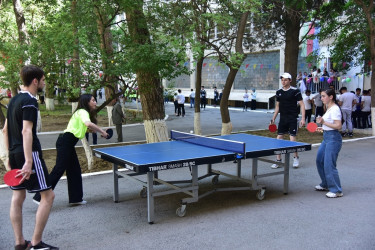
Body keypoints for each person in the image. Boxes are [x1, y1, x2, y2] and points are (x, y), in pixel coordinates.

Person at [3, 65, 58, 249]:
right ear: (35, 81)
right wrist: (28, 161)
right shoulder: (29, 101)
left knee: (18, 197)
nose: (44, 83)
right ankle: (36, 243)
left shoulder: (14, 100)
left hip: (14, 152)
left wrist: (9, 156)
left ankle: (19, 243)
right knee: (48, 196)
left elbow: (5, 130)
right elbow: (27, 131)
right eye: (43, 80)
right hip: (30, 154)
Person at [33, 94, 108, 206]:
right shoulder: (83, 111)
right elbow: (87, 123)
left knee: (75, 170)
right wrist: (102, 131)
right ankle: (40, 196)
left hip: (67, 142)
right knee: (59, 169)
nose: (95, 102)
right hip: (65, 142)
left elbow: (81, 128)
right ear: (86, 102)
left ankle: (75, 198)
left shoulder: (80, 112)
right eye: (93, 100)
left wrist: (94, 131)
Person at [270, 73, 305, 169]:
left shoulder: (295, 91)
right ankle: (278, 160)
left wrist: (303, 118)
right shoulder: (279, 92)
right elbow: (277, 106)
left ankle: (295, 157)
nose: (283, 81)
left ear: (290, 80)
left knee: (292, 139)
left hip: (293, 118)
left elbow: (302, 104)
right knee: (279, 138)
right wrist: (273, 118)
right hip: (283, 118)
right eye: (282, 80)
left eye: (285, 80)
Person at [315, 88, 344, 198]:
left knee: (329, 164)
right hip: (326, 137)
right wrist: (322, 128)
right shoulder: (328, 107)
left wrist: (324, 122)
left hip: (333, 139)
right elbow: (330, 125)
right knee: (319, 160)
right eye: (321, 96)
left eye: (323, 96)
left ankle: (337, 190)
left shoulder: (335, 109)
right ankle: (326, 184)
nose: (321, 98)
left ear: (331, 97)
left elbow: (338, 126)